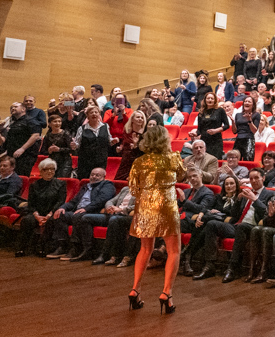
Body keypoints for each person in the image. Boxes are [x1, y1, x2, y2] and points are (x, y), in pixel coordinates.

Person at [127, 125, 185, 314]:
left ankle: (135, 289)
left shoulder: (139, 162)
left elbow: (133, 189)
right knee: (174, 251)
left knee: (145, 249)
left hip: (145, 206)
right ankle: (166, 293)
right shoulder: (173, 158)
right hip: (167, 206)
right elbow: (182, 175)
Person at [231, 170, 275, 283]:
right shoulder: (274, 199)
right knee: (256, 229)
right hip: (273, 228)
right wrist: (269, 216)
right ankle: (252, 270)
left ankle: (264, 271)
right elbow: (265, 221)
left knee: (265, 231)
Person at [45, 166, 116, 261]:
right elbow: (74, 201)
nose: (94, 177)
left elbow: (102, 199)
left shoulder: (107, 185)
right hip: (79, 211)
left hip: (95, 212)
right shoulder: (86, 186)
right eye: (92, 174)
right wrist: (62, 208)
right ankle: (62, 246)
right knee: (61, 215)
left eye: (97, 175)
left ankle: (76, 248)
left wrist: (86, 209)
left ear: (104, 176)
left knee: (78, 216)